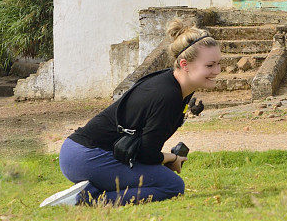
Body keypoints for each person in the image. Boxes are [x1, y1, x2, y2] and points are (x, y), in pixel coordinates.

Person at [39, 18, 222, 207]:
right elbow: (146, 154)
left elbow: (144, 146)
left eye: (218, 63)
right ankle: (83, 200)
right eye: (210, 65)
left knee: (163, 179)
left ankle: (91, 189)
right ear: (184, 64)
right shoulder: (167, 95)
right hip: (87, 157)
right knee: (171, 185)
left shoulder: (176, 87)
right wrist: (172, 158)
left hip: (82, 153)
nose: (217, 70)